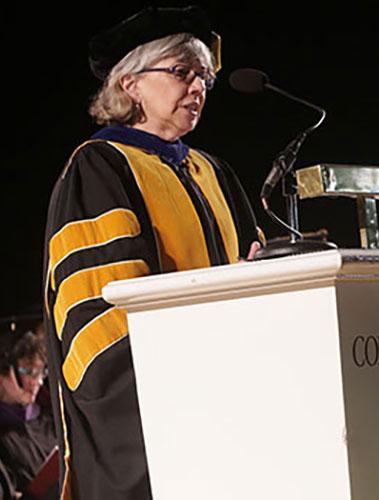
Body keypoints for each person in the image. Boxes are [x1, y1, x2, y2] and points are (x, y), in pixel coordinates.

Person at [42, 6, 262, 499]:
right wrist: (189, 390)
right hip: (160, 417)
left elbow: (255, 268)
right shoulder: (100, 167)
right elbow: (100, 321)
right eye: (181, 72)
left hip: (239, 394)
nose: (199, 86)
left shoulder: (215, 172)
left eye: (204, 75)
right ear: (130, 84)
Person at [0, 329, 57, 498]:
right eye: (30, 372)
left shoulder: (49, 420)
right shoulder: (3, 439)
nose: (37, 382)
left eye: (41, 373)